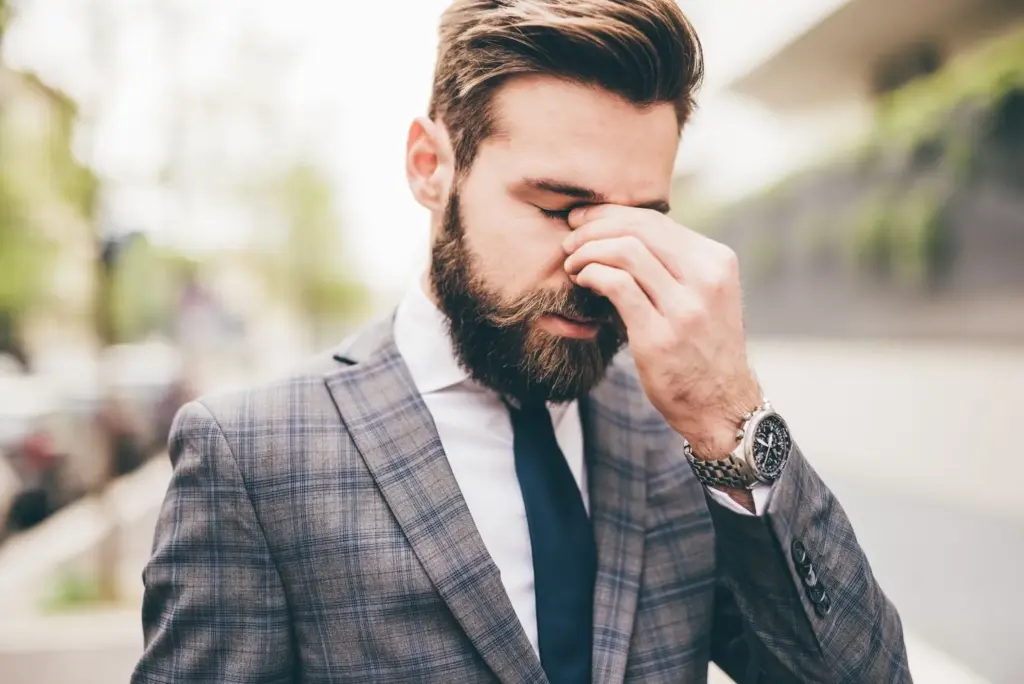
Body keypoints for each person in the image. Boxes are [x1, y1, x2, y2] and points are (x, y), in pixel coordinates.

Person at [132, 1, 911, 682]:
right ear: (430, 166)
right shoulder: (253, 459)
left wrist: (731, 418)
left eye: (639, 219)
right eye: (557, 207)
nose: (596, 266)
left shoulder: (682, 439)